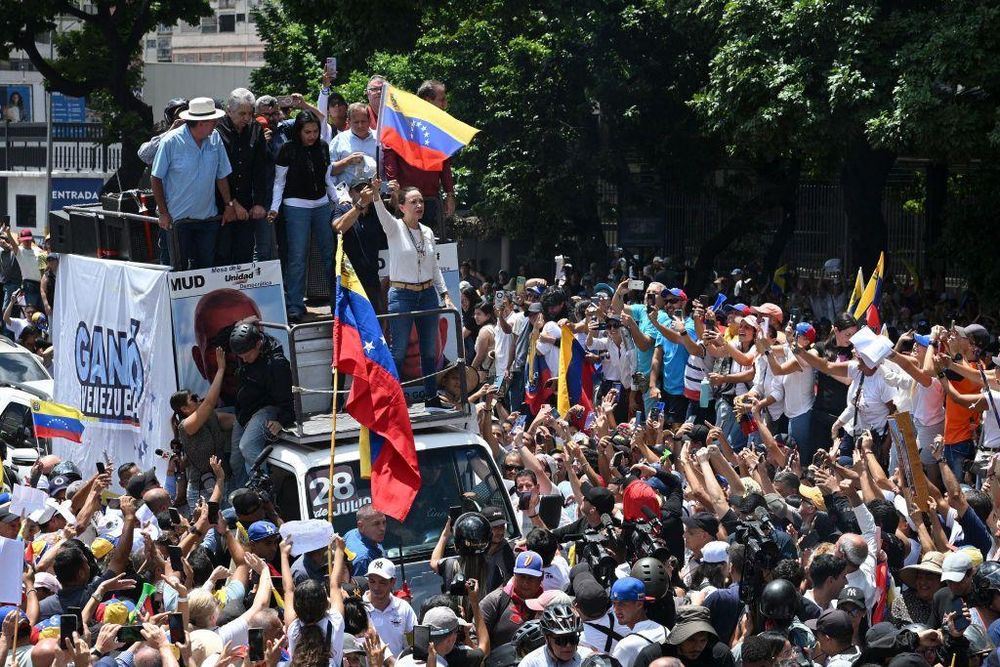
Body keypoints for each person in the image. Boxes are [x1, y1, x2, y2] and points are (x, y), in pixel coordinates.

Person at [371, 177, 456, 405]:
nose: (419, 205)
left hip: (427, 293)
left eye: (421, 202)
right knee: (398, 351)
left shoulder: (427, 231)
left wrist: (445, 294)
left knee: (429, 351)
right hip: (402, 295)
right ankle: (393, 399)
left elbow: (434, 267)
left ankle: (430, 396)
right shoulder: (395, 227)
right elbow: (381, 212)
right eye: (413, 202)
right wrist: (377, 194)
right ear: (402, 207)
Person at [150, 96, 241, 270]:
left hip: (207, 219)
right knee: (176, 271)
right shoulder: (170, 141)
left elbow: (221, 175)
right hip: (177, 221)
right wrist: (163, 212)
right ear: (201, 123)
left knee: (205, 270)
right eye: (213, 120)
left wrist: (229, 204)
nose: (216, 123)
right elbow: (156, 177)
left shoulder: (215, 138)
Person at [268, 110, 336, 323]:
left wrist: (338, 198)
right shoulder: (286, 149)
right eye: (307, 132)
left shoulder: (324, 147)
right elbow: (279, 182)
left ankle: (337, 303)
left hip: (322, 204)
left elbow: (327, 179)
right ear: (298, 131)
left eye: (315, 131)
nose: (312, 136)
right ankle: (295, 305)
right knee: (297, 257)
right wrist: (275, 207)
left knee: (330, 255)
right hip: (295, 205)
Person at [383, 79, 457, 232]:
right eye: (441, 100)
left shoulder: (441, 126)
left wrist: (450, 194)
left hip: (430, 200)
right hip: (405, 200)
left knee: (428, 248)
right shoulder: (404, 120)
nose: (445, 104)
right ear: (427, 100)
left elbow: (444, 162)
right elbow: (390, 154)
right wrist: (394, 189)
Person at [228, 322, 295, 488]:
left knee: (248, 446)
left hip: (268, 409)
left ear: (258, 344)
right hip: (245, 411)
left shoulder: (277, 364)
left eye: (247, 355)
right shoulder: (247, 347)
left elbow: (287, 398)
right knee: (235, 460)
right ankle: (241, 499)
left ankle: (260, 497)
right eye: (240, 356)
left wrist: (282, 421)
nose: (243, 359)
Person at [169, 346, 234, 508]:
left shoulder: (211, 417)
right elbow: (210, 402)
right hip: (203, 490)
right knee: (210, 531)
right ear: (184, 409)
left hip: (222, 482)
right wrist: (220, 369)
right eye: (194, 398)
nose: (199, 399)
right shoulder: (186, 426)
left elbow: (235, 421)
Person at [215, 88, 270, 266]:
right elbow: (217, 171)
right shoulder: (216, 130)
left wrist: (260, 202)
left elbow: (262, 169)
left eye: (250, 113)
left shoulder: (256, 129)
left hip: (247, 208)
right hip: (221, 206)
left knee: (244, 256)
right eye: (242, 113)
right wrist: (231, 203)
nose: (246, 118)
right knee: (221, 256)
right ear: (229, 110)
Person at [331, 178, 389, 312]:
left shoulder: (376, 211)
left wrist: (394, 193)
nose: (363, 192)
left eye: (367, 189)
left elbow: (396, 217)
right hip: (347, 282)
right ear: (351, 193)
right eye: (358, 190)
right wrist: (361, 203)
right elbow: (338, 227)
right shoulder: (342, 208)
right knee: (349, 330)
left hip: (371, 281)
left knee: (376, 327)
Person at [364, 558, 417, 656]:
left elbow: (414, 642)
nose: (376, 587)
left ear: (393, 582)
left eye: (382, 582)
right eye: (372, 581)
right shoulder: (358, 609)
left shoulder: (403, 607)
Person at [518, 603, 593, 667]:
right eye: (561, 640)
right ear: (547, 638)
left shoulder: (588, 658)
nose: (568, 645)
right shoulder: (531, 663)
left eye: (573, 639)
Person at [331, 103, 378, 187]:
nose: (360, 125)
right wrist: (347, 161)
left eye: (363, 121)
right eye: (356, 122)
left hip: (376, 194)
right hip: (347, 195)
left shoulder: (379, 139)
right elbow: (329, 170)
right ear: (348, 122)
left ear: (369, 120)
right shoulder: (339, 140)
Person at [343, 503, 387, 576]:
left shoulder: (352, 533)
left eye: (384, 522)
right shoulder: (363, 559)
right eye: (376, 524)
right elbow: (362, 586)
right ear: (361, 526)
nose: (382, 528)